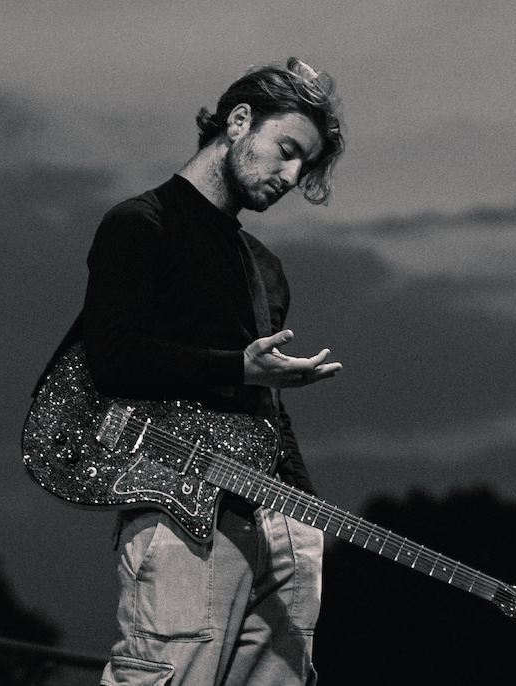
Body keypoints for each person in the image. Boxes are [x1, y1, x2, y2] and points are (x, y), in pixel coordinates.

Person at [58, 58, 345, 686]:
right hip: (184, 511)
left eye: (304, 167)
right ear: (239, 122)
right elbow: (113, 358)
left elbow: (264, 407)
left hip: (278, 518)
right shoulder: (141, 224)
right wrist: (239, 366)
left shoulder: (264, 267)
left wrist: (305, 515)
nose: (291, 177)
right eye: (287, 152)